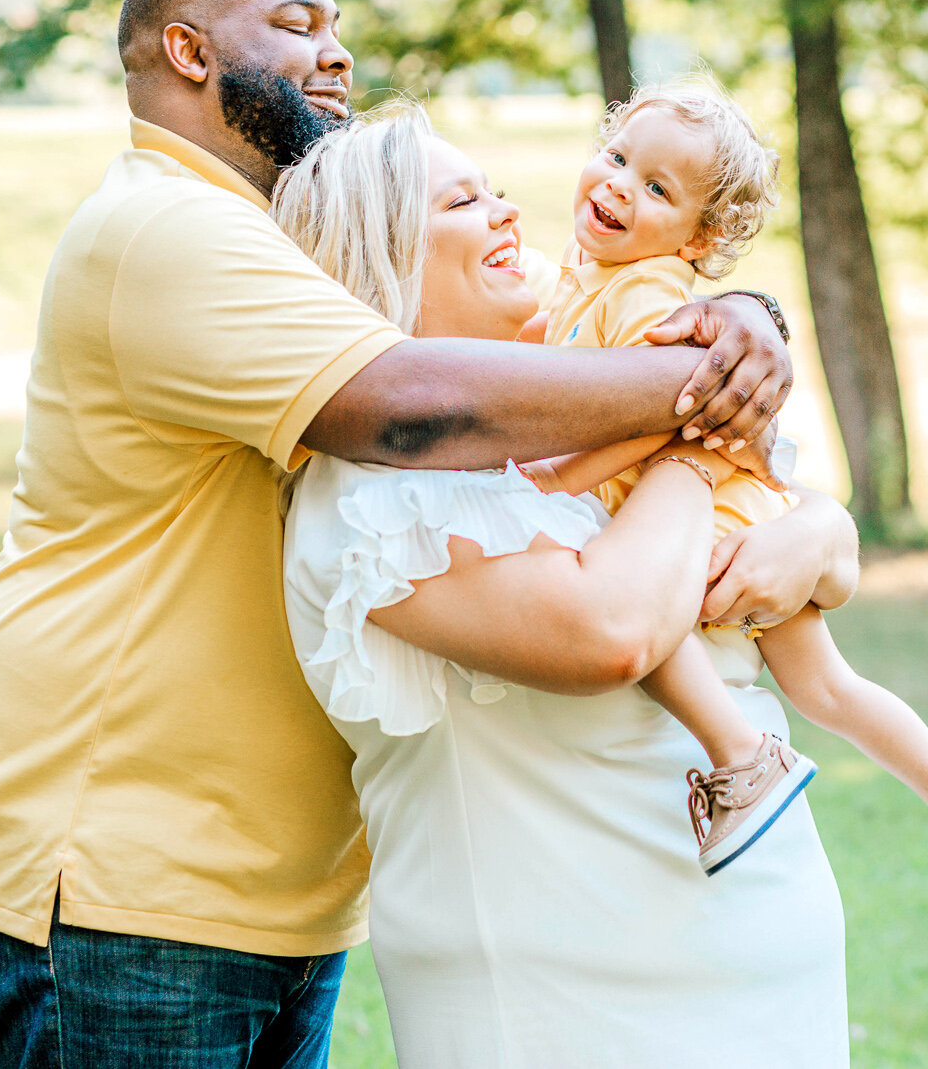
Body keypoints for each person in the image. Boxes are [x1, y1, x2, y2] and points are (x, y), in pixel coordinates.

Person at [0, 0, 818, 1068]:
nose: (336, 54)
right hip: (119, 864)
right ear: (188, 51)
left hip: (274, 880)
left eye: (339, 27)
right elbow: (406, 403)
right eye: (298, 27)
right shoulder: (168, 224)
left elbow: (560, 347)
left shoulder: (275, 238)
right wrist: (714, 389)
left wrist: (745, 323)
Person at [274, 104, 861, 1068]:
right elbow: (615, 628)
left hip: (761, 943)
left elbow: (801, 533)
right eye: (467, 200)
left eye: (497, 189)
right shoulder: (373, 498)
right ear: (380, 254)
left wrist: (823, 526)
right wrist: (702, 441)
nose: (510, 213)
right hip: (558, 997)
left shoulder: (561, 430)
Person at [522, 79, 928, 900]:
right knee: (827, 684)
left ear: (700, 237)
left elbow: (661, 420)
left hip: (704, 522)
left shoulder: (648, 297)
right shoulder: (588, 279)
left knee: (649, 629)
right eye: (616, 157)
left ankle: (744, 761)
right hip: (747, 512)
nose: (617, 184)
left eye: (657, 188)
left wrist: (554, 476)